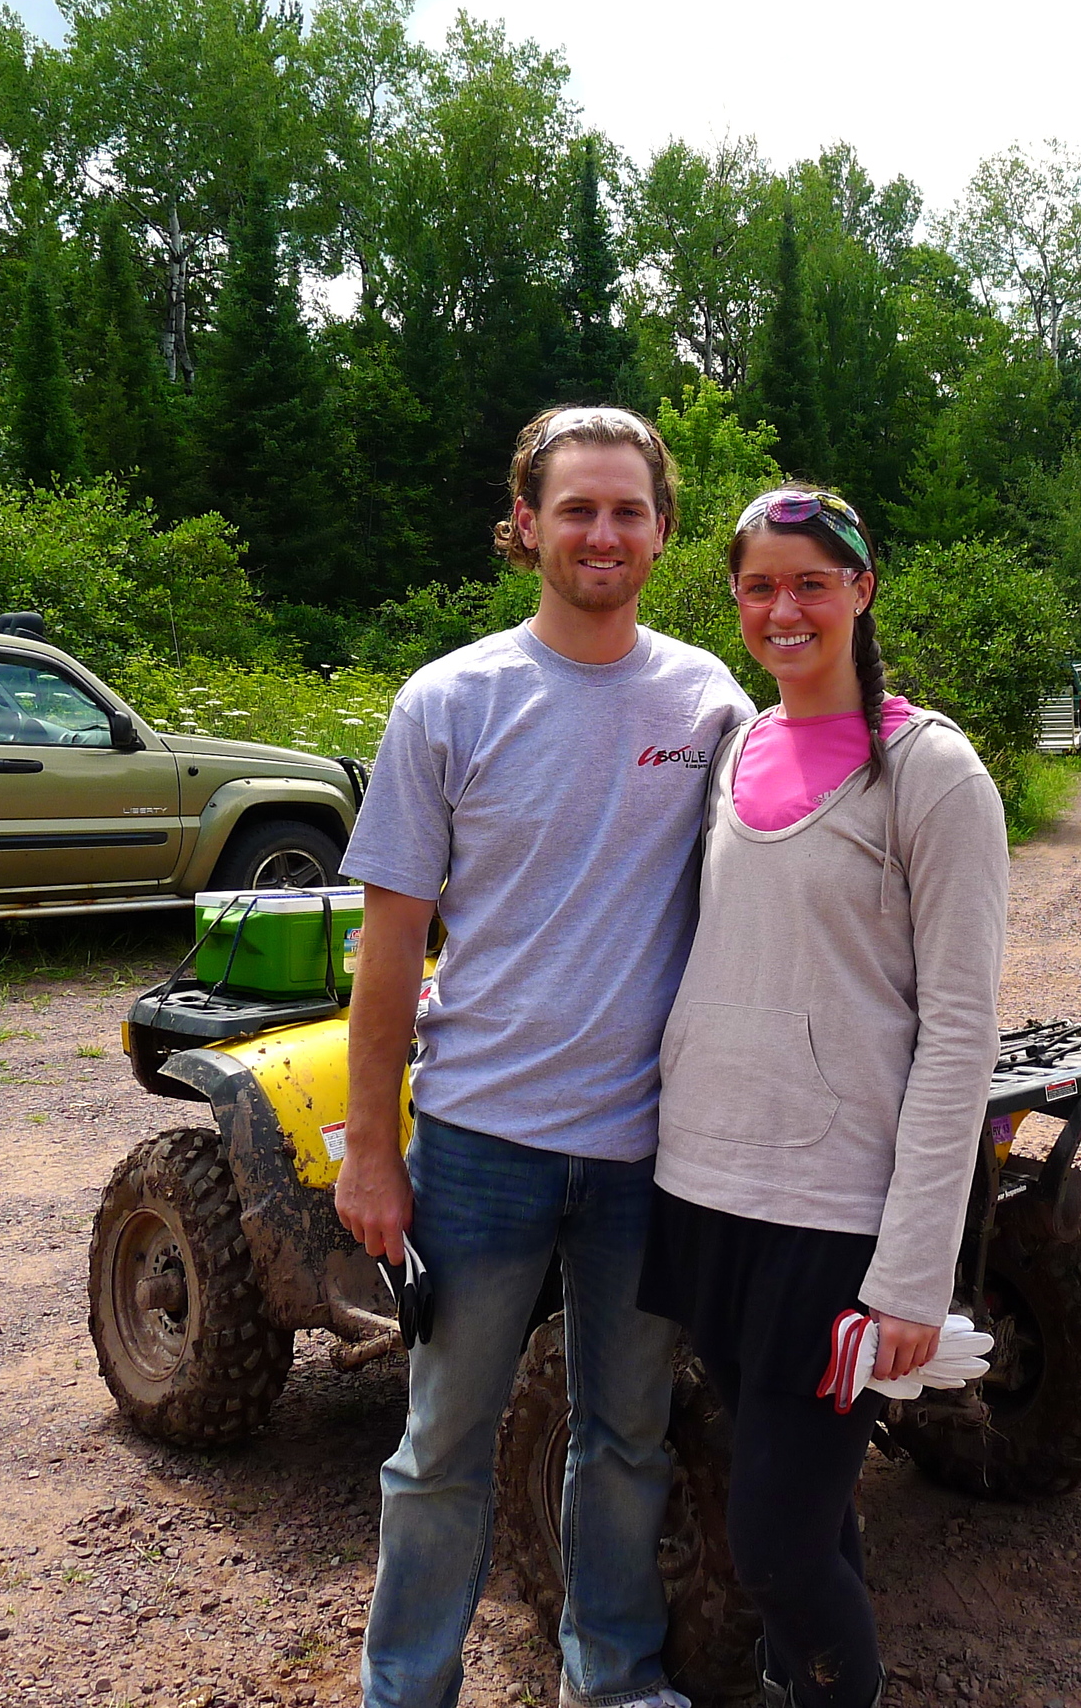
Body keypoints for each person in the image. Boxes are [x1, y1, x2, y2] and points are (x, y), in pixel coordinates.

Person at [335, 404, 754, 1708]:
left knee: (627, 1437)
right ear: (525, 523)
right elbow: (392, 944)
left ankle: (612, 1673)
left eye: (629, 508)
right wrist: (372, 1150)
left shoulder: (708, 701)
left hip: (645, 1151)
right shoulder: (450, 700)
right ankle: (409, 1685)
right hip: (481, 1144)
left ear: (664, 529)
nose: (603, 531)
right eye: (576, 507)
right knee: (443, 1443)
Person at [638, 485, 1009, 1708]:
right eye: (758, 585)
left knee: (774, 1546)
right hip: (708, 1190)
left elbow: (959, 1033)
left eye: (810, 582)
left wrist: (910, 1273)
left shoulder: (928, 770)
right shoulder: (737, 748)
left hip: (831, 1219)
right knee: (800, 1511)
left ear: (861, 589)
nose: (783, 608)